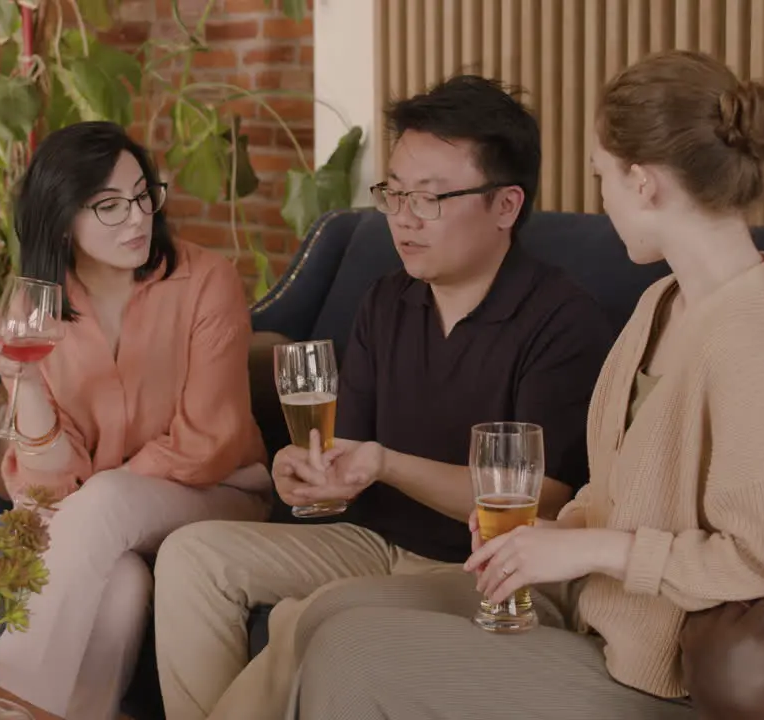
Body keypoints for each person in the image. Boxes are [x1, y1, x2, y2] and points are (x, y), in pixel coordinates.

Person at [287, 50, 764, 720]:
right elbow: (613, 494)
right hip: (591, 611)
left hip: (646, 671)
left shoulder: (763, 341)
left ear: (643, 183)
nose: (601, 198)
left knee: (350, 648)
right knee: (331, 612)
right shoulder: (662, 303)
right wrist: (547, 536)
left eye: (602, 177)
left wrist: (591, 546)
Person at [152, 76, 614, 720]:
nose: (403, 218)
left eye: (429, 199)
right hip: (373, 541)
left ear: (506, 205)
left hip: (480, 568)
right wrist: (309, 476)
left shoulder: (562, 322)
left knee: (307, 620)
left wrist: (385, 463)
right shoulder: (388, 299)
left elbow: (541, 500)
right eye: (394, 193)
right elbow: (351, 457)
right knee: (192, 555)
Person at [0, 121, 271, 720]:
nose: (137, 218)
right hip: (99, 520)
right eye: (109, 206)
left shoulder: (205, 281)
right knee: (122, 587)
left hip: (218, 496)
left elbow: (209, 445)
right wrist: (27, 383)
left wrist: (101, 487)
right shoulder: (31, 311)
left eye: (142, 196)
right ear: (61, 220)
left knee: (107, 501)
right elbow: (46, 489)